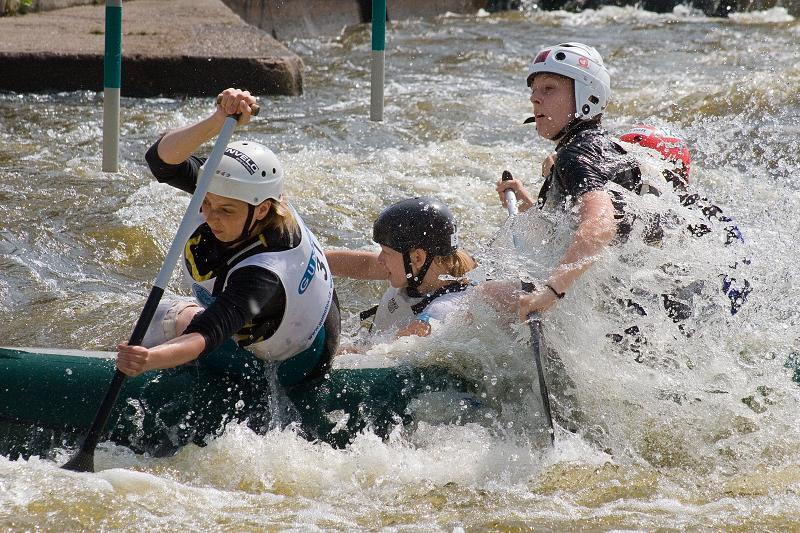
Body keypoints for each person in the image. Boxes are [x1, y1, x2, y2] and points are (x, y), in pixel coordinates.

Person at [116, 88, 340, 388]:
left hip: (296, 363)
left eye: (226, 210)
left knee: (165, 318)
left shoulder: (264, 273)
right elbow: (160, 160)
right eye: (206, 202)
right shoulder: (236, 193)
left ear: (261, 210)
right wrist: (217, 119)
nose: (211, 216)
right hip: (296, 319)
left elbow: (205, 333)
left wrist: (148, 359)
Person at [495, 42, 642, 321]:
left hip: (614, 309)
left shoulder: (575, 155)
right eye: (534, 90)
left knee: (485, 295)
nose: (534, 98)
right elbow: (565, 228)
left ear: (587, 95)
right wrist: (528, 203)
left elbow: (601, 224)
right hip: (629, 304)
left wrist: (550, 291)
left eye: (548, 89)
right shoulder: (603, 147)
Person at [326, 197, 476, 340]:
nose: (380, 260)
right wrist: (316, 258)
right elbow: (365, 265)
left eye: (386, 252)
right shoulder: (416, 270)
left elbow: (389, 352)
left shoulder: (443, 310)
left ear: (418, 257)